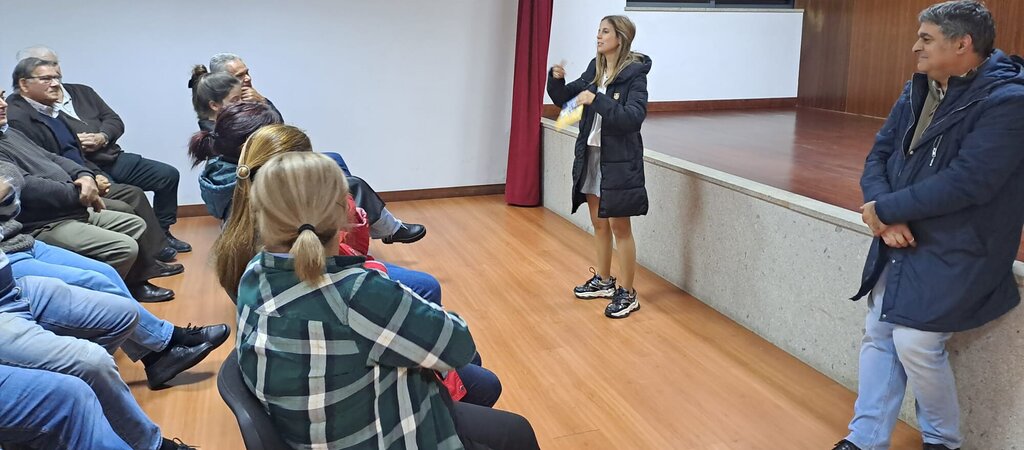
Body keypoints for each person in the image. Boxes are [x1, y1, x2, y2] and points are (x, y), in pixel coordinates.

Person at [235, 152, 538, 449]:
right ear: (344, 213)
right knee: (514, 429)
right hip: (375, 433)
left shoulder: (254, 273)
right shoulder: (357, 293)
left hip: (309, 429)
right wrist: (384, 287)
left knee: (477, 384)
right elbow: (459, 344)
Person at [833, 2, 1024, 450]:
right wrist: (882, 212)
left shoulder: (1009, 102)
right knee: (879, 330)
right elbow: (880, 154)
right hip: (904, 230)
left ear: (962, 44)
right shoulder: (918, 88)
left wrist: (888, 210)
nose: (915, 46)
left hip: (963, 243)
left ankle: (942, 441)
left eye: (926, 38)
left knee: (916, 341)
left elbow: (969, 182)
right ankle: (865, 439)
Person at [14, 46, 190, 253]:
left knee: (167, 175)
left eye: (54, 66)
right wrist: (87, 167)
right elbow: (48, 158)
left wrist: (102, 136)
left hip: (110, 156)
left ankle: (162, 233)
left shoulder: (81, 92)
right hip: (84, 167)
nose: (53, 78)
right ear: (24, 78)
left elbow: (114, 120)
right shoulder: (33, 109)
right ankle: (151, 248)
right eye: (44, 71)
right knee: (128, 196)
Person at [547, 15, 651, 318]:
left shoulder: (634, 75)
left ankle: (628, 293)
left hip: (619, 161)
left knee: (620, 227)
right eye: (598, 31)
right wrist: (556, 79)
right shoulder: (596, 69)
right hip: (592, 155)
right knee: (599, 223)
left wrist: (596, 100)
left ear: (620, 37)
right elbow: (565, 99)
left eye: (605, 31)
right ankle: (604, 281)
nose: (598, 36)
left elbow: (632, 118)